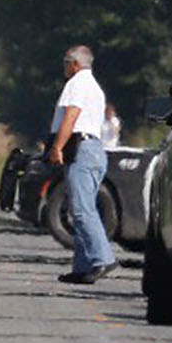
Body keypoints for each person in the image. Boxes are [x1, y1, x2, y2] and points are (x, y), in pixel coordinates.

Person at [47, 45, 116, 285]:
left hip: (82, 149)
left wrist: (57, 146)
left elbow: (72, 115)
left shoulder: (77, 84)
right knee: (85, 208)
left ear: (75, 63)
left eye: (66, 61)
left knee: (80, 209)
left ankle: (102, 258)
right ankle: (83, 266)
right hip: (95, 150)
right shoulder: (93, 86)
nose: (64, 66)